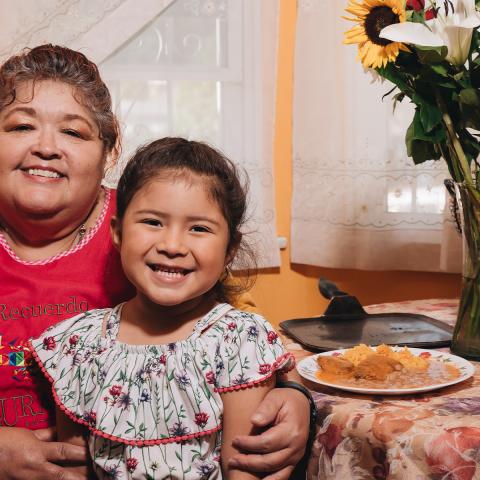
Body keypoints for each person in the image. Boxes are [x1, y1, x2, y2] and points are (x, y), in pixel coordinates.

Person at [0, 44, 312, 479]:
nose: (46, 147)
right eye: (20, 126)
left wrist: (296, 396)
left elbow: (232, 338)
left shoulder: (147, 224)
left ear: (107, 150)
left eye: (73, 132)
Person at [30, 137, 296, 479]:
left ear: (230, 250)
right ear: (118, 232)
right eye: (153, 222)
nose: (172, 245)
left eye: (199, 228)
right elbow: (72, 468)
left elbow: (245, 469)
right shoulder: (79, 343)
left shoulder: (238, 341)